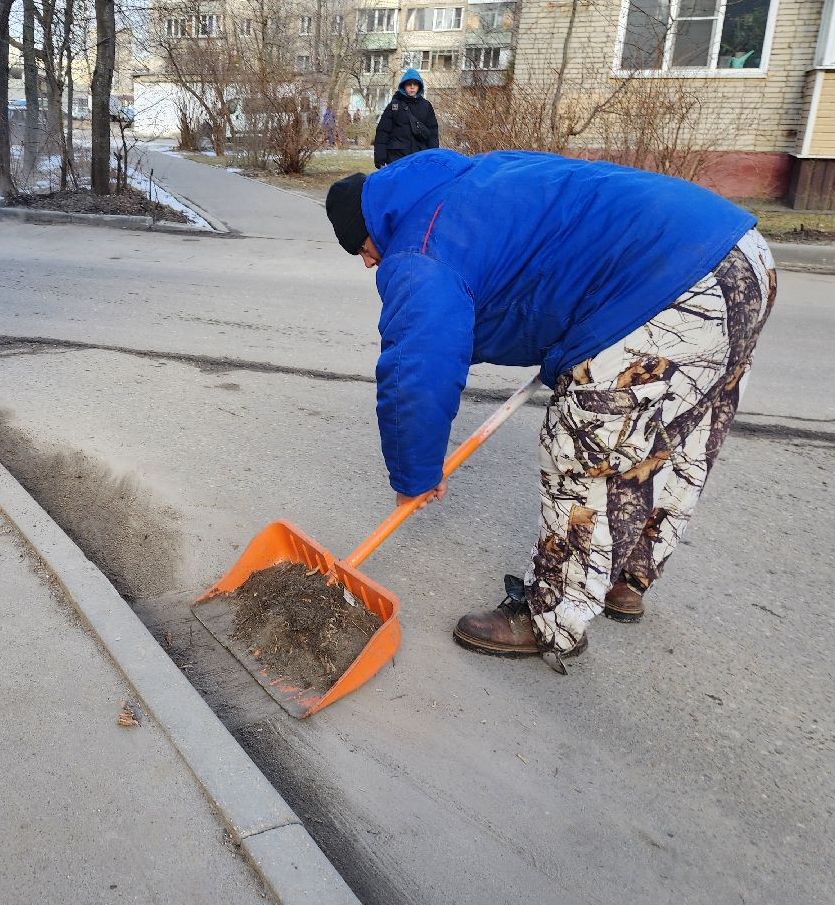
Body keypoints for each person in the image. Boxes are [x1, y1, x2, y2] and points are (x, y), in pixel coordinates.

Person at [324, 150, 777, 673]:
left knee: (582, 454)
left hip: (666, 286)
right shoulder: (475, 178)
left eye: (359, 248)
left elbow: (417, 369)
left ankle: (550, 620)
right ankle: (626, 577)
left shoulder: (420, 250)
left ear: (374, 226)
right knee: (679, 434)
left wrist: (413, 474)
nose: (366, 261)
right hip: (740, 255)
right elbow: (544, 261)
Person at [372, 68, 439, 169]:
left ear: (419, 86)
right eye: (409, 84)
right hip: (396, 157)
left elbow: (432, 133)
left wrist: (433, 157)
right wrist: (380, 158)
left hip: (419, 157)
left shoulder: (426, 106)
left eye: (415, 84)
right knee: (397, 184)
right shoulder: (394, 105)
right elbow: (383, 132)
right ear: (403, 86)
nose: (412, 87)